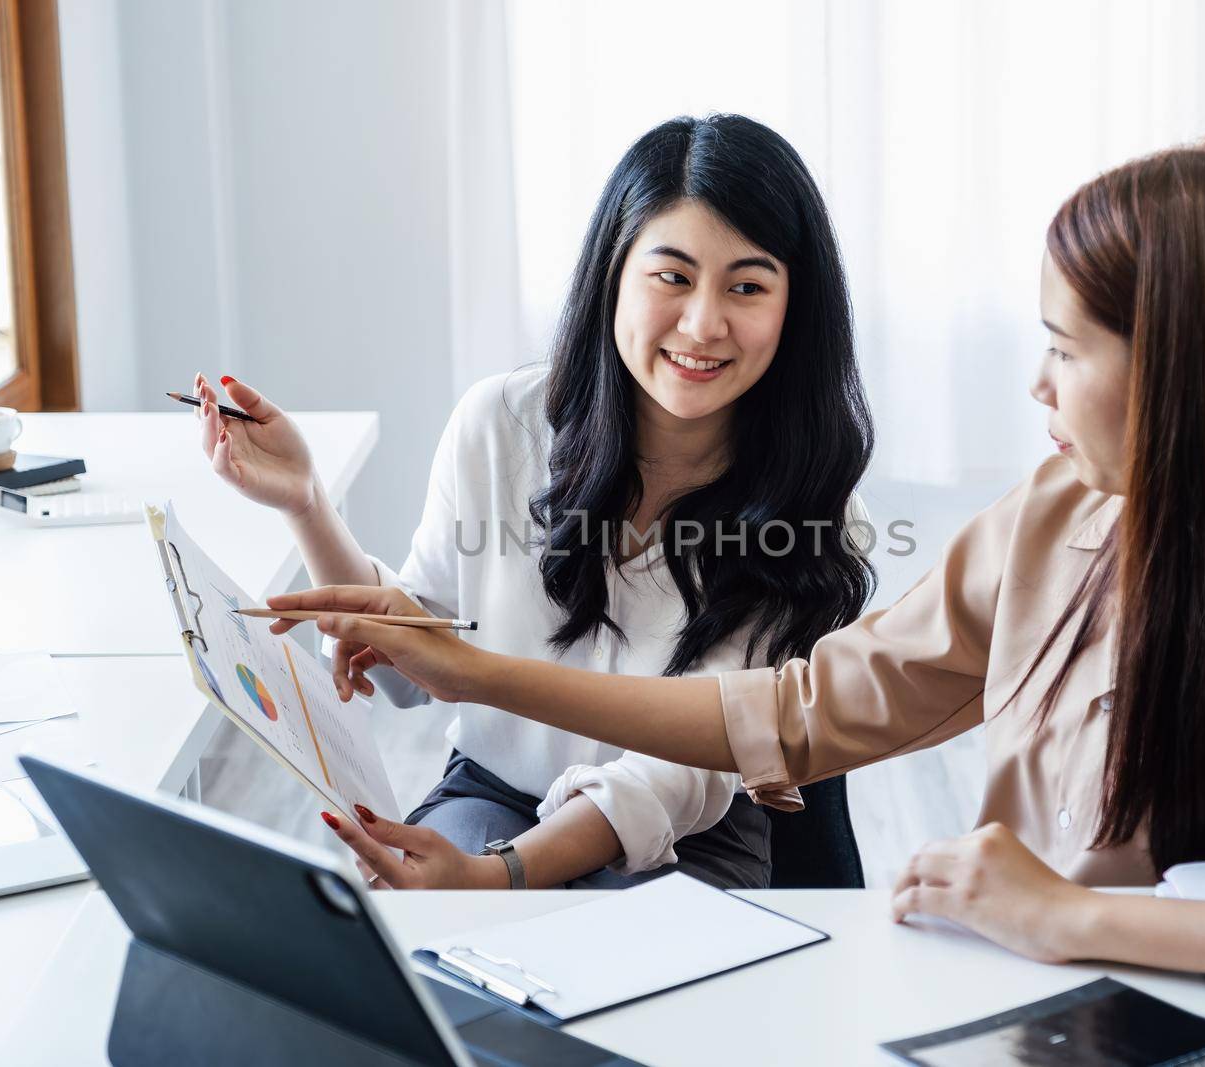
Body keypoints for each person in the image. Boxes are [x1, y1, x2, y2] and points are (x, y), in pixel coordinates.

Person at [274, 138, 1205, 1031]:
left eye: (1065, 350)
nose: (1037, 387)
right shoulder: (1051, 526)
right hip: (1025, 1011)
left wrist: (1073, 917)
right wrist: (472, 668)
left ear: (1187, 375)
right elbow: (793, 712)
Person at [192, 114, 875, 891]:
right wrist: (306, 500)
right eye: (672, 276)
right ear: (614, 273)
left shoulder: (812, 497)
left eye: (747, 286)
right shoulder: (500, 424)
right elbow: (416, 663)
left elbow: (681, 769)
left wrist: (504, 876)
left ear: (795, 307)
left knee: (619, 994)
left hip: (689, 836)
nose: (702, 323)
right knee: (426, 967)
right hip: (494, 793)